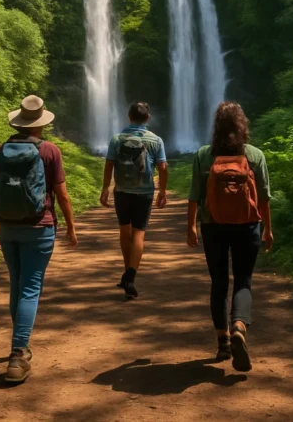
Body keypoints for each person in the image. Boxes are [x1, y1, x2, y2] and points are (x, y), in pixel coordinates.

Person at [0, 95, 77, 383]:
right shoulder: (50, 151)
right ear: (41, 123)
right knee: (30, 288)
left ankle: (20, 343)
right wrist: (71, 226)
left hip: (8, 227)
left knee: (17, 284)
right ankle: (18, 353)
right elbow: (61, 194)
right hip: (40, 227)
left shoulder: (0, 151)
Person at [187, 101, 273, 373]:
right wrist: (268, 229)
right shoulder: (255, 155)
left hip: (213, 226)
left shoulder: (204, 155)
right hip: (248, 225)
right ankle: (238, 326)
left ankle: (223, 342)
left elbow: (194, 195)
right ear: (242, 124)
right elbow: (264, 198)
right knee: (243, 280)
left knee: (219, 282)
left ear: (216, 126)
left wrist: (191, 226)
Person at [100, 101, 168, 299]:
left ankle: (127, 272)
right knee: (138, 233)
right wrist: (163, 191)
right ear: (147, 118)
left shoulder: (117, 139)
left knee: (124, 231)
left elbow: (109, 164)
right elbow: (163, 168)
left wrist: (105, 188)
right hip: (144, 192)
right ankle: (130, 275)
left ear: (129, 117)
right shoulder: (155, 140)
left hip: (122, 191)